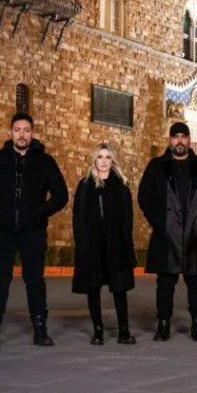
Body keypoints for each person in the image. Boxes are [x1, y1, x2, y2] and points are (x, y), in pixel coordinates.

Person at [0, 113, 68, 348]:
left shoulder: (45, 162)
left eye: (26, 130)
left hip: (32, 231)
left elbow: (61, 195)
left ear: (32, 133)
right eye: (17, 130)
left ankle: (40, 331)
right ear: (11, 132)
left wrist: (40, 212)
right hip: (1, 230)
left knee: (35, 280)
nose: (22, 134)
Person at [138, 122, 197, 341]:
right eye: (175, 136)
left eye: (183, 136)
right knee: (165, 283)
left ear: (189, 140)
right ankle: (163, 324)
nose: (179, 141)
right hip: (167, 235)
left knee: (196, 282)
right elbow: (144, 197)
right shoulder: (156, 166)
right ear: (170, 140)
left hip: (195, 234)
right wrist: (158, 222)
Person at [72, 143, 137, 345]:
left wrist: (126, 243)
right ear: (94, 159)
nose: (103, 161)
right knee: (93, 287)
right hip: (92, 244)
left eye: (108, 157)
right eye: (100, 156)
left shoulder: (121, 186)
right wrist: (82, 241)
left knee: (119, 287)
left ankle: (124, 331)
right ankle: (98, 330)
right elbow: (77, 216)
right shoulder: (85, 185)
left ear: (113, 161)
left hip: (116, 243)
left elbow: (128, 218)